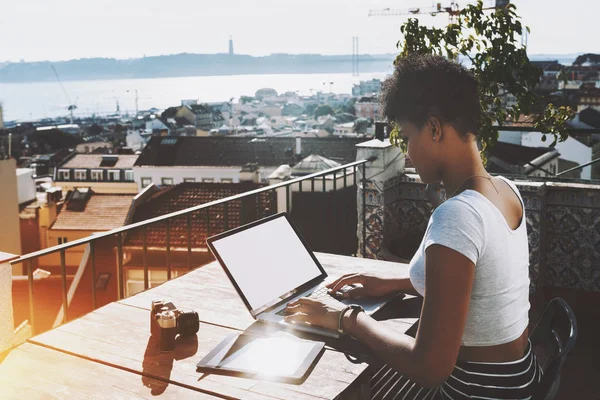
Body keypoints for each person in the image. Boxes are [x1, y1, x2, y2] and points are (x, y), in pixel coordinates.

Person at [284, 55, 542, 399]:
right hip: (519, 377)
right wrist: (392, 283)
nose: (407, 153)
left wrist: (346, 317)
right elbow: (479, 281)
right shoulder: (506, 190)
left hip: (477, 390)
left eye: (407, 137)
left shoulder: (458, 216)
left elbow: (429, 368)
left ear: (434, 128)